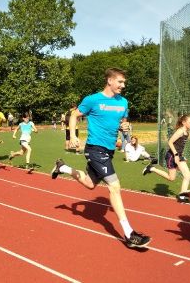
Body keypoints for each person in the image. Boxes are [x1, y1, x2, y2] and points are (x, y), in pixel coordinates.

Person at [50, 68, 151, 248]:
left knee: (90, 184)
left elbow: (123, 122)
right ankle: (129, 234)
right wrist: (73, 136)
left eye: (124, 82)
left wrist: (125, 126)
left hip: (109, 150)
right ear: (110, 81)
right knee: (114, 186)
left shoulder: (124, 102)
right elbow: (74, 115)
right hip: (95, 148)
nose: (123, 85)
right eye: (120, 82)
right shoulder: (92, 100)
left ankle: (62, 167)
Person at [142, 114, 190, 203]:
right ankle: (152, 169)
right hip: (171, 156)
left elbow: (180, 146)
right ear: (183, 122)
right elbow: (170, 142)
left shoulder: (187, 132)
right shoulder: (180, 131)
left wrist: (182, 155)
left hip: (178, 155)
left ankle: (182, 196)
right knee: (180, 177)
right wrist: (176, 155)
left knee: (180, 177)